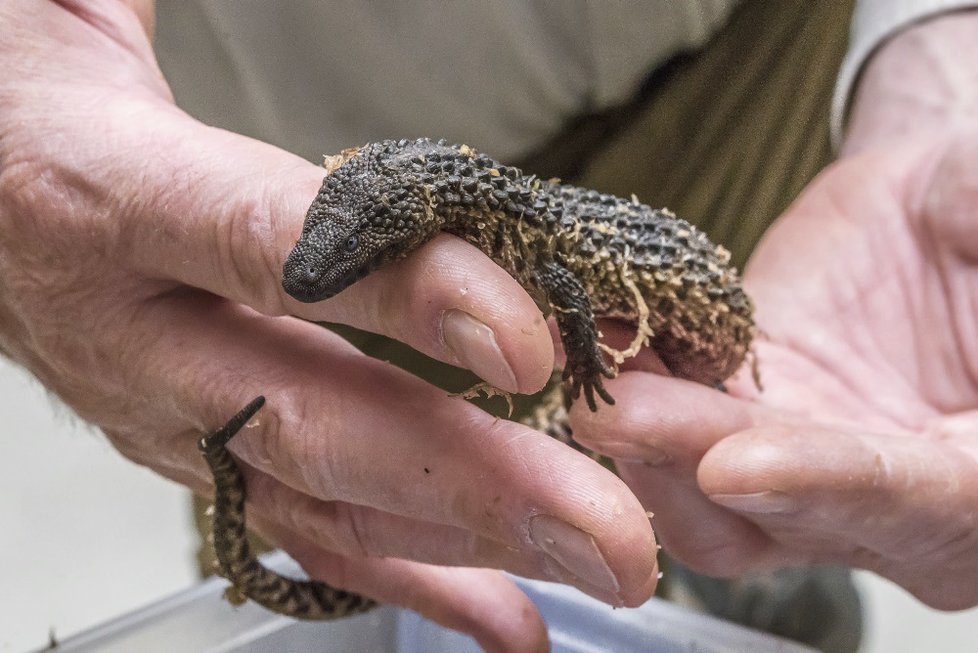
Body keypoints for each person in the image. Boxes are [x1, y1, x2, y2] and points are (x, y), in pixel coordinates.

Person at [1, 2, 976, 652]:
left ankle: (747, 586)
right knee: (335, 506)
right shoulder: (431, 220)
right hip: (243, 144)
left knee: (690, 461)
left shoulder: (519, 238)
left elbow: (556, 275)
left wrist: (940, 47)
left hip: (752, 54)